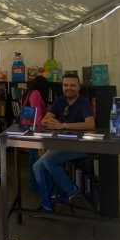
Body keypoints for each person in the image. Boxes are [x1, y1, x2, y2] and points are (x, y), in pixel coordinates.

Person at [34, 74, 95, 212]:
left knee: (49, 160)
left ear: (79, 87)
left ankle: (72, 190)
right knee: (37, 166)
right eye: (66, 85)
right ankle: (47, 204)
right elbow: (45, 119)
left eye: (73, 85)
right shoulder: (60, 101)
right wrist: (47, 122)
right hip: (61, 145)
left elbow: (90, 124)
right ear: (62, 86)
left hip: (80, 146)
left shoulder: (84, 102)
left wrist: (63, 126)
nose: (69, 88)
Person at [19, 75, 49, 191]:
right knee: (37, 158)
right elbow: (36, 115)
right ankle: (38, 184)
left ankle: (34, 184)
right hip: (35, 129)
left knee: (33, 157)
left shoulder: (27, 92)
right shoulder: (36, 93)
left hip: (26, 126)